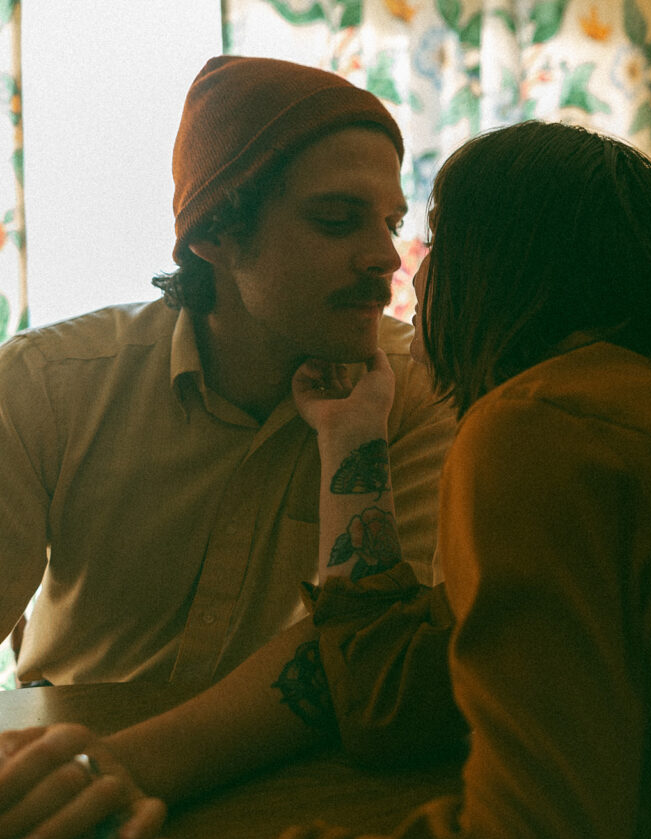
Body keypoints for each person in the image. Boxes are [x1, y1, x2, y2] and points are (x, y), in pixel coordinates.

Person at [1, 121, 651, 839]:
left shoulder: (546, 427)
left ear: (501, 264)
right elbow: (391, 691)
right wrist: (352, 438)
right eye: (345, 220)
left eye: (424, 229)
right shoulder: (615, 419)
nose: (404, 268)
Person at [0, 54, 453, 688]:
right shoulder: (48, 385)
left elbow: (380, 664)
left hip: (297, 777)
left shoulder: (415, 392)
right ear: (214, 234)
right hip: (64, 758)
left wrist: (357, 445)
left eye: (391, 223)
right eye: (336, 219)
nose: (386, 258)